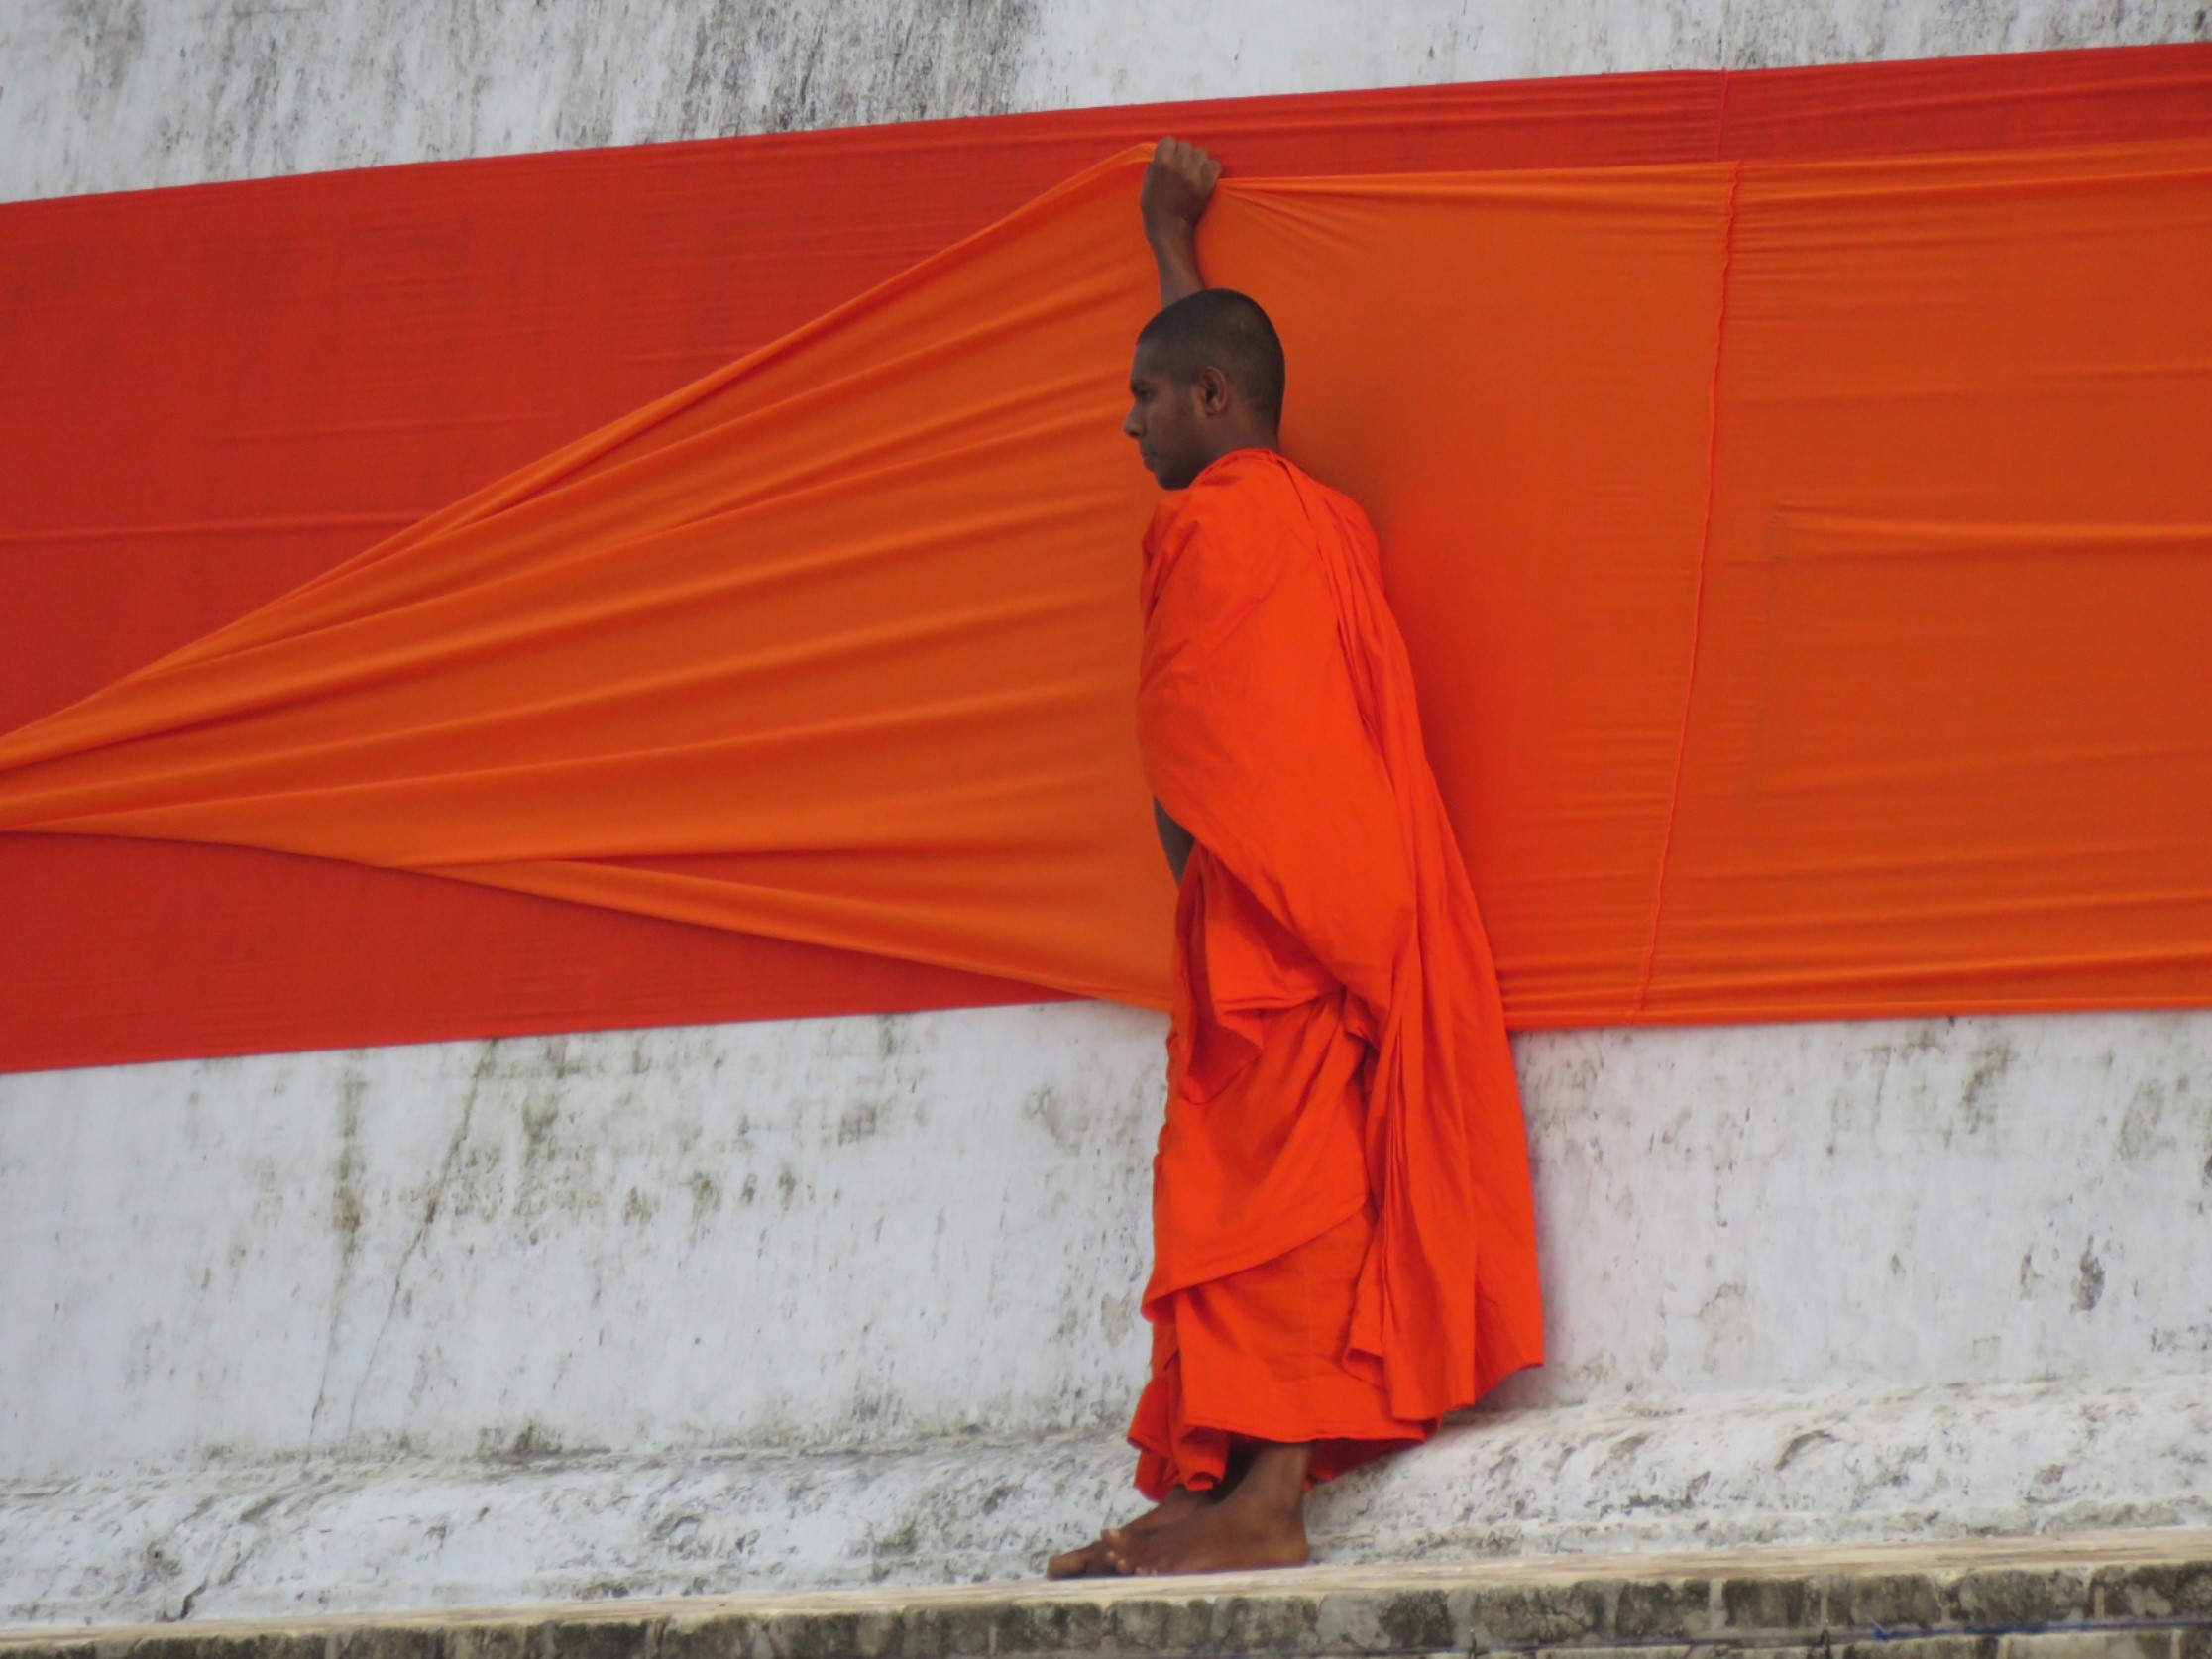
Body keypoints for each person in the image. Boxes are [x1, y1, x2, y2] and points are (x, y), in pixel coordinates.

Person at [1046, 138, 1545, 1579]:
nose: (1125, 422)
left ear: (1204, 400)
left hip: (1281, 924)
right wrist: (1168, 239)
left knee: (1276, 1200)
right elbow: (1221, 374)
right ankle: (1223, 1486)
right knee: (1244, 1197)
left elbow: (1208, 736)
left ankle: (1267, 1502)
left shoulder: (1224, 525)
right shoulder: (1311, 518)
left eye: (1141, 397)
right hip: (1316, 908)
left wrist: (1210, 877)